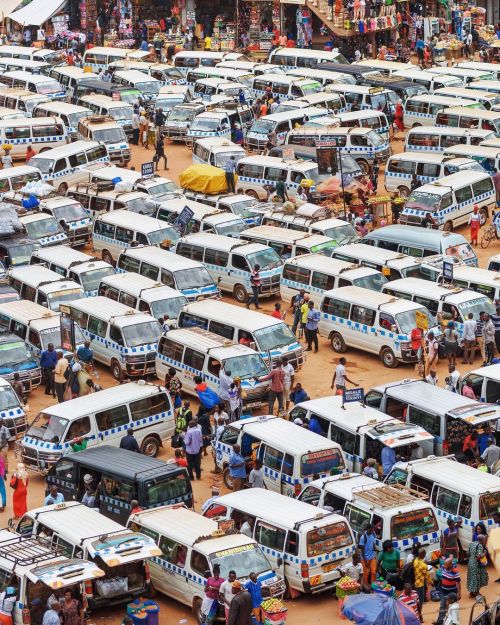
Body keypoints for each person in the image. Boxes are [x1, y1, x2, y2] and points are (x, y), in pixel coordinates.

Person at [435, 558, 461, 625]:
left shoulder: (455, 571)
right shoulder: (443, 567)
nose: (444, 566)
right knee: (442, 607)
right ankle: (440, 622)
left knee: (453, 608)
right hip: (444, 592)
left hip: (452, 593)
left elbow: (458, 583)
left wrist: (459, 593)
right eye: (444, 564)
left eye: (446, 565)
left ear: (450, 565)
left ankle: (453, 622)